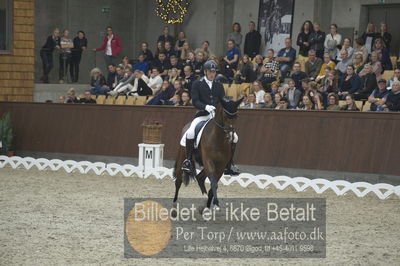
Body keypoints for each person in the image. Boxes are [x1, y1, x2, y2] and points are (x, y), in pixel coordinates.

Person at [181, 60, 240, 176]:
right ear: (205, 72)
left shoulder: (218, 86)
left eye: (214, 72)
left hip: (216, 117)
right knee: (190, 132)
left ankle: (230, 164)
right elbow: (195, 101)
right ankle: (188, 161)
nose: (212, 74)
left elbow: (222, 101)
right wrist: (205, 107)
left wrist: (229, 104)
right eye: (210, 72)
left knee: (235, 137)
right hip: (202, 115)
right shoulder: (197, 84)